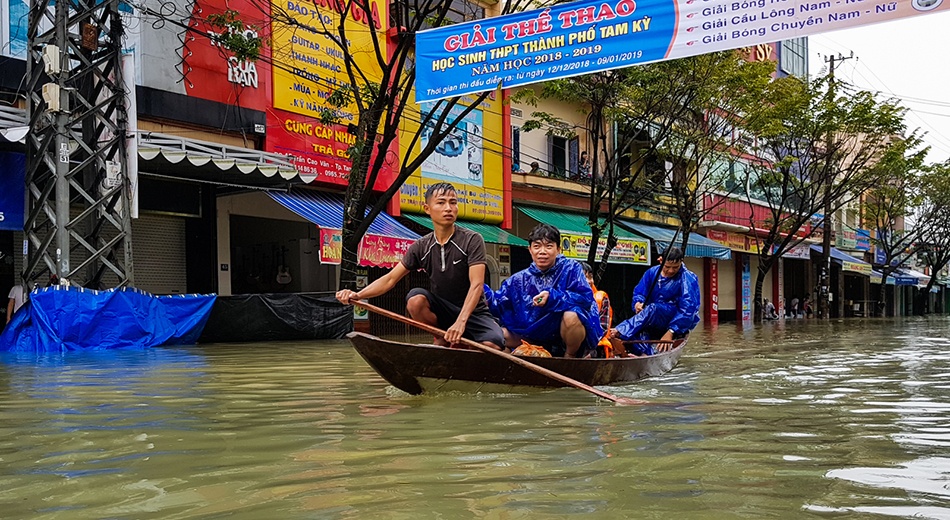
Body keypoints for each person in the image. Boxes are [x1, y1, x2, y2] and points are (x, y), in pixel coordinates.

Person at [335, 182, 504, 350]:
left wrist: (461, 322)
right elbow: (390, 279)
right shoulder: (421, 246)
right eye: (441, 202)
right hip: (442, 311)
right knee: (415, 299)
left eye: (453, 202)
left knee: (493, 344)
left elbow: (476, 285)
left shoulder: (472, 239)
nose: (448, 208)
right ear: (427, 208)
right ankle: (441, 335)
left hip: (473, 313)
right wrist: (358, 295)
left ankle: (463, 343)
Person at [484, 224, 603, 358]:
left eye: (548, 246)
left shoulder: (571, 268)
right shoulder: (518, 279)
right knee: (494, 336)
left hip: (564, 339)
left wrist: (552, 297)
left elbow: (585, 298)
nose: (542, 251)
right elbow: (498, 304)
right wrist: (483, 292)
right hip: (531, 337)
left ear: (558, 249)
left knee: (572, 316)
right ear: (530, 250)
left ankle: (570, 357)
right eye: (537, 246)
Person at [609, 247, 700, 356]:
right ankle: (644, 354)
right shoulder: (652, 272)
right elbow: (639, 293)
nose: (671, 271)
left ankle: (622, 330)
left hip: (672, 318)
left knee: (653, 308)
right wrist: (638, 304)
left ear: (681, 262)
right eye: (667, 267)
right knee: (639, 332)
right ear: (660, 260)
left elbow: (688, 309)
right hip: (651, 317)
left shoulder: (688, 277)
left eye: (675, 267)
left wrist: (671, 331)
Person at [580, 262, 614, 357]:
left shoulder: (600, 298)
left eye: (590, 277)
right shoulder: (567, 296)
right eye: (584, 277)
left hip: (596, 344)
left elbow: (602, 329)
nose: (589, 281)